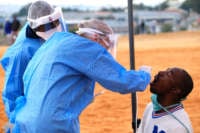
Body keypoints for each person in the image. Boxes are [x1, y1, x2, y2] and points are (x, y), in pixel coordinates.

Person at [11, 1, 151, 133]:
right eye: (108, 44)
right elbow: (122, 81)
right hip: (52, 125)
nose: (106, 50)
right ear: (96, 38)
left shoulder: (47, 48)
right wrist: (144, 74)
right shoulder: (84, 47)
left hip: (25, 123)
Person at [0, 1, 67, 131]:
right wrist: (17, 124)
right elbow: (12, 93)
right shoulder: (21, 53)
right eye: (46, 27)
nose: (52, 28)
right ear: (35, 26)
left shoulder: (54, 23)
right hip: (31, 102)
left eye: (53, 23)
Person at [137, 67, 193, 133]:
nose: (160, 72)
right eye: (166, 70)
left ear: (175, 90)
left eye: (169, 74)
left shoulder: (179, 128)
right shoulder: (150, 107)